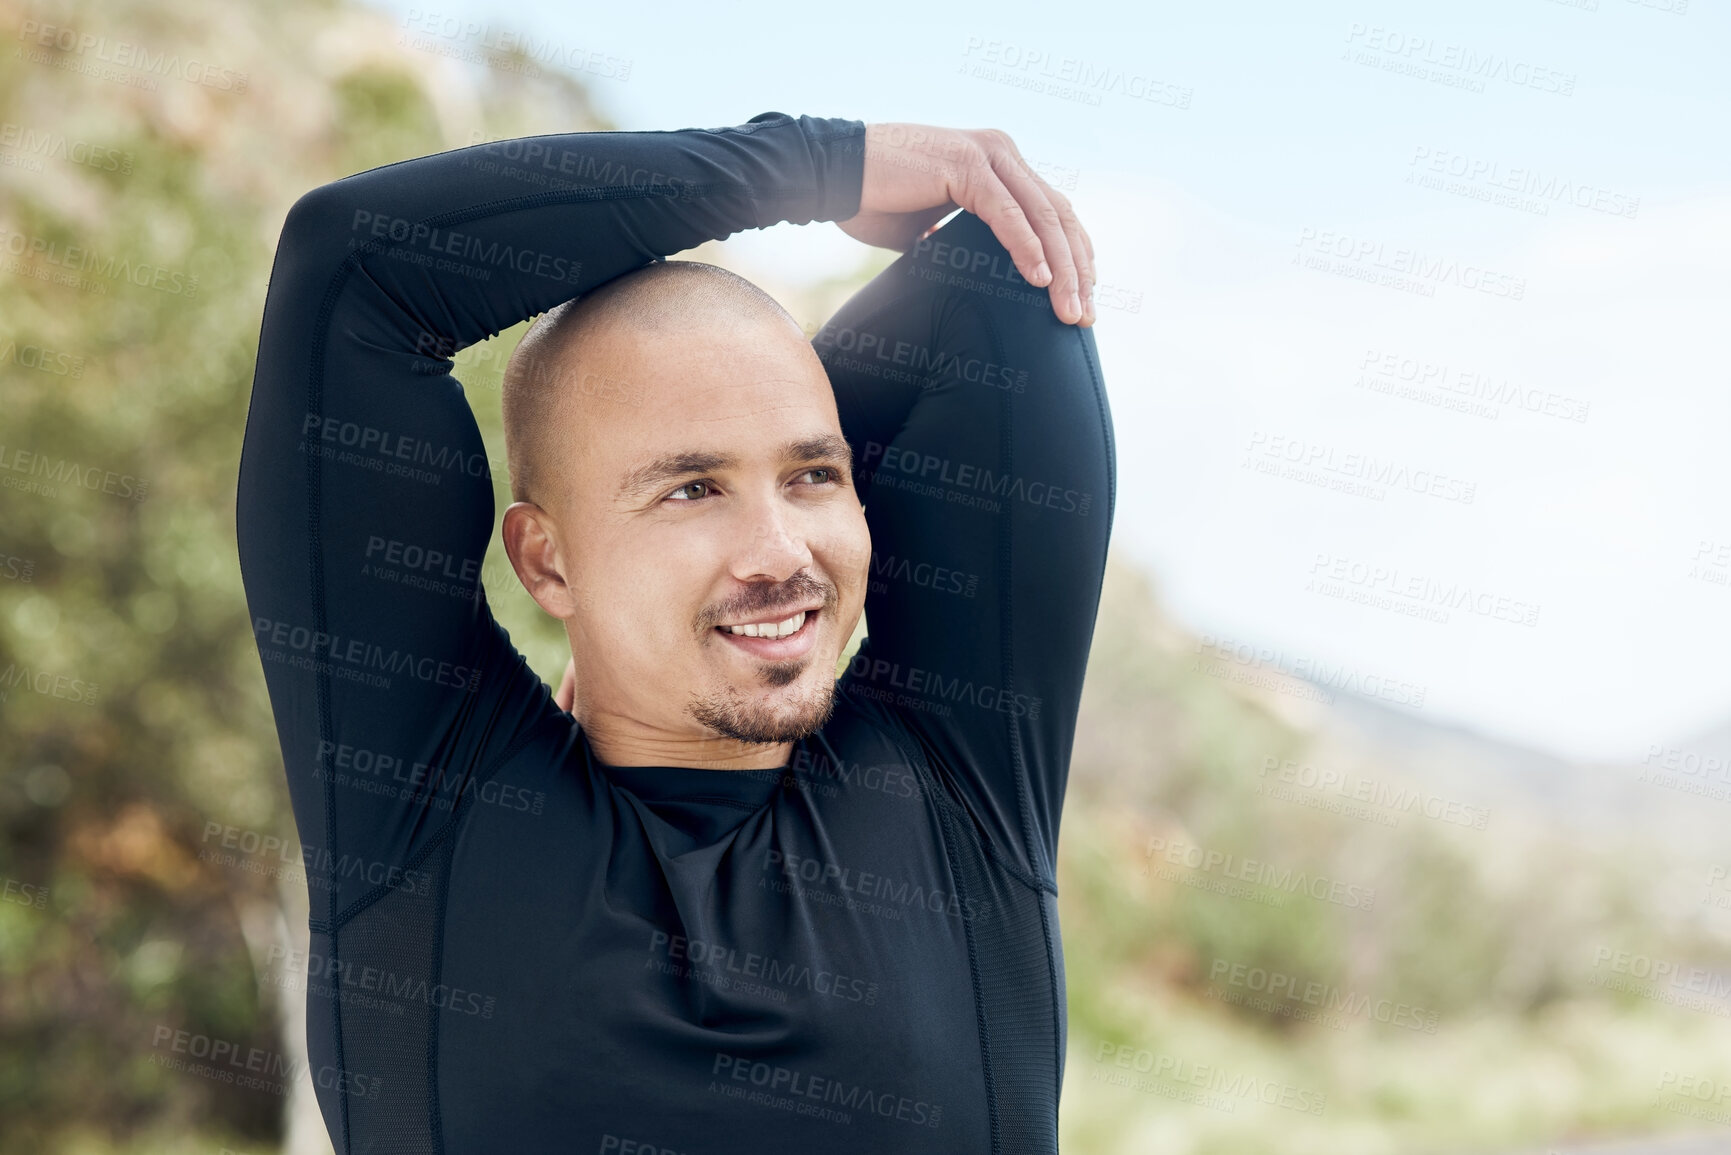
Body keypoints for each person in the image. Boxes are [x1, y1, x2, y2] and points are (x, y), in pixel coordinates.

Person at [238, 111, 1114, 1154]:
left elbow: (1001, 273)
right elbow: (354, 266)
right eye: (693, 489)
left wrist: (670, 578)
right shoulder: (429, 805)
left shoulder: (957, 783)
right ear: (547, 562)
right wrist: (810, 163)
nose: (778, 550)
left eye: (814, 475)